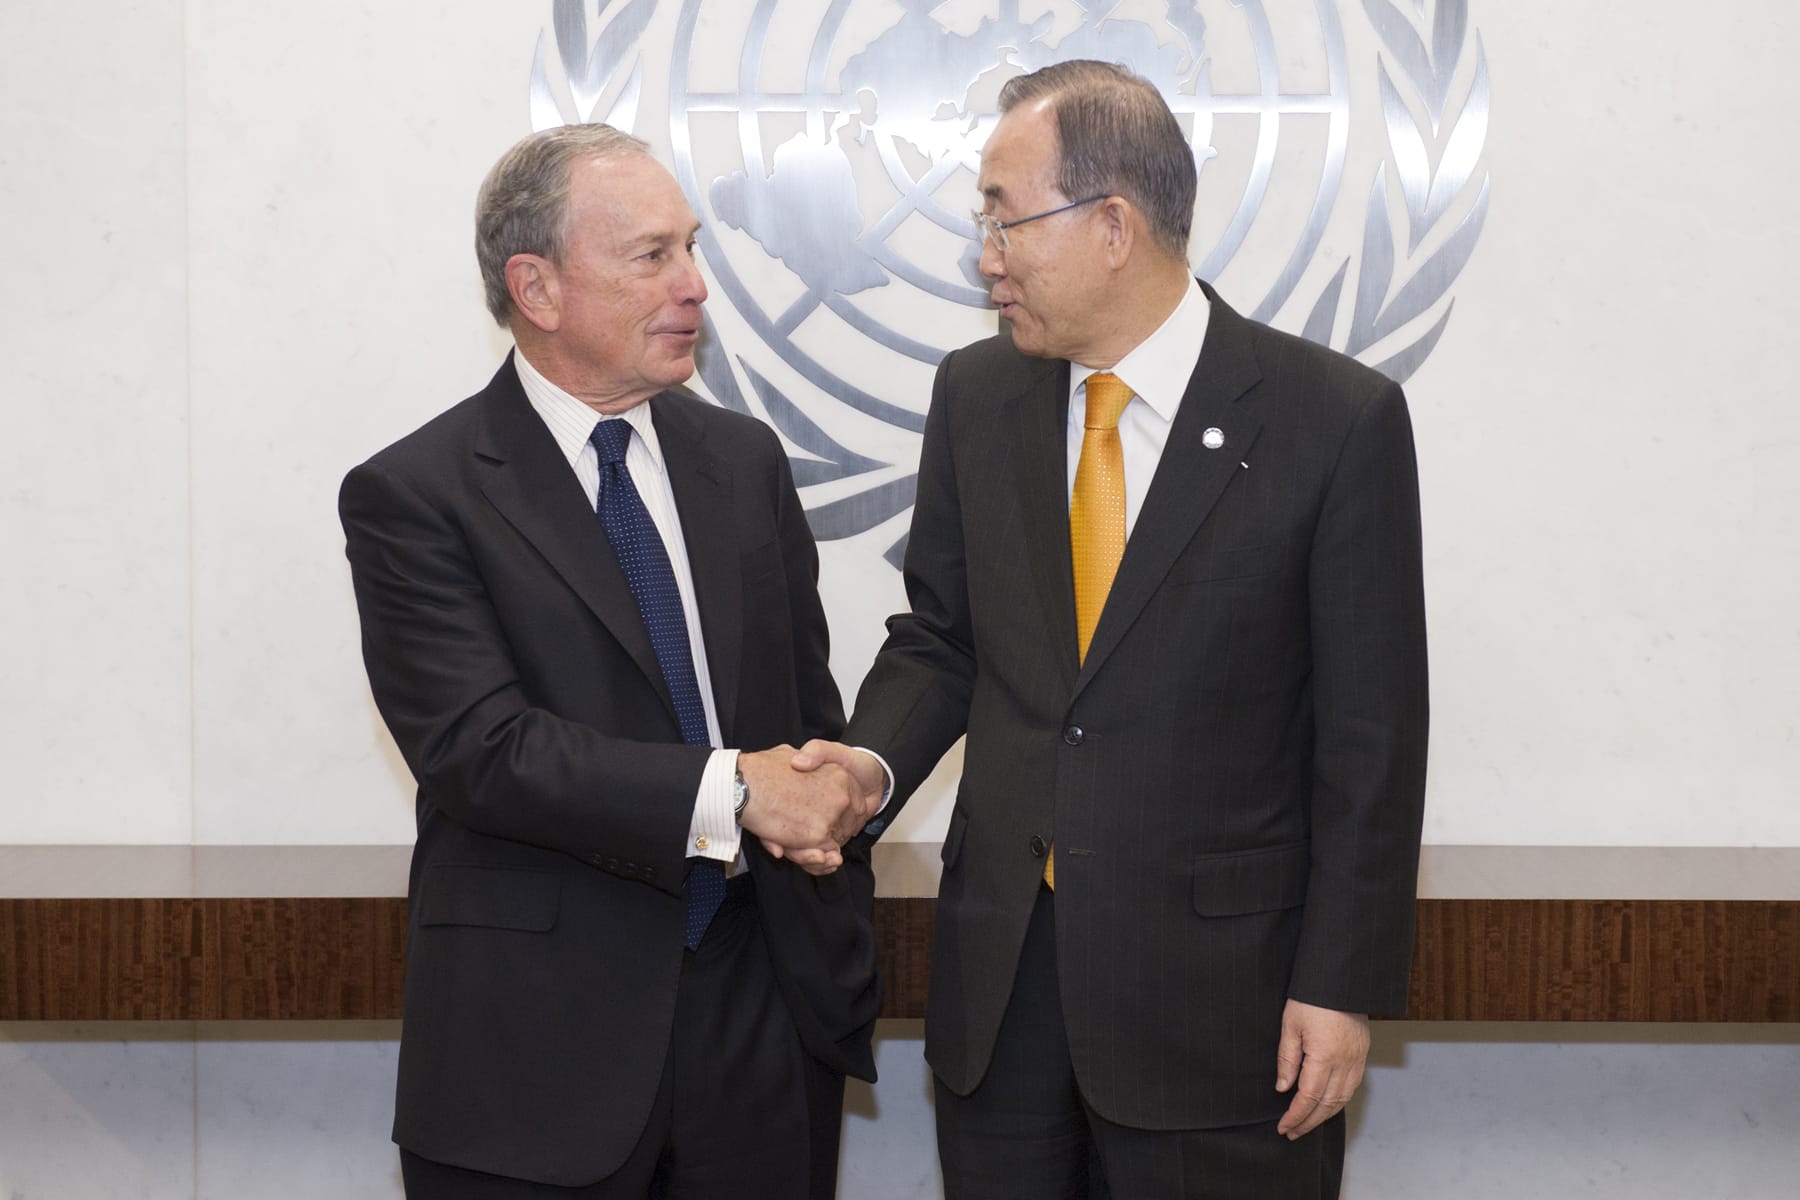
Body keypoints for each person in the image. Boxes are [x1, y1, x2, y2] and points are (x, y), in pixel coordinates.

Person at [798, 60, 1429, 1198]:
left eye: (1003, 219)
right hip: (1004, 997)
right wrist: (863, 764)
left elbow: (1371, 735)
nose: (984, 256)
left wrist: (1341, 984)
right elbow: (943, 636)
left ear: (1112, 225)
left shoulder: (1331, 421)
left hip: (1223, 1009)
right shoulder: (977, 395)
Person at [339, 124, 883, 1199]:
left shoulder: (743, 461)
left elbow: (799, 709)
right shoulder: (418, 493)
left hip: (760, 1032)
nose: (693, 288)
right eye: (650, 257)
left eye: (690, 249)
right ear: (535, 287)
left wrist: (833, 798)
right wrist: (737, 791)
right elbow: (477, 750)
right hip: (537, 1056)